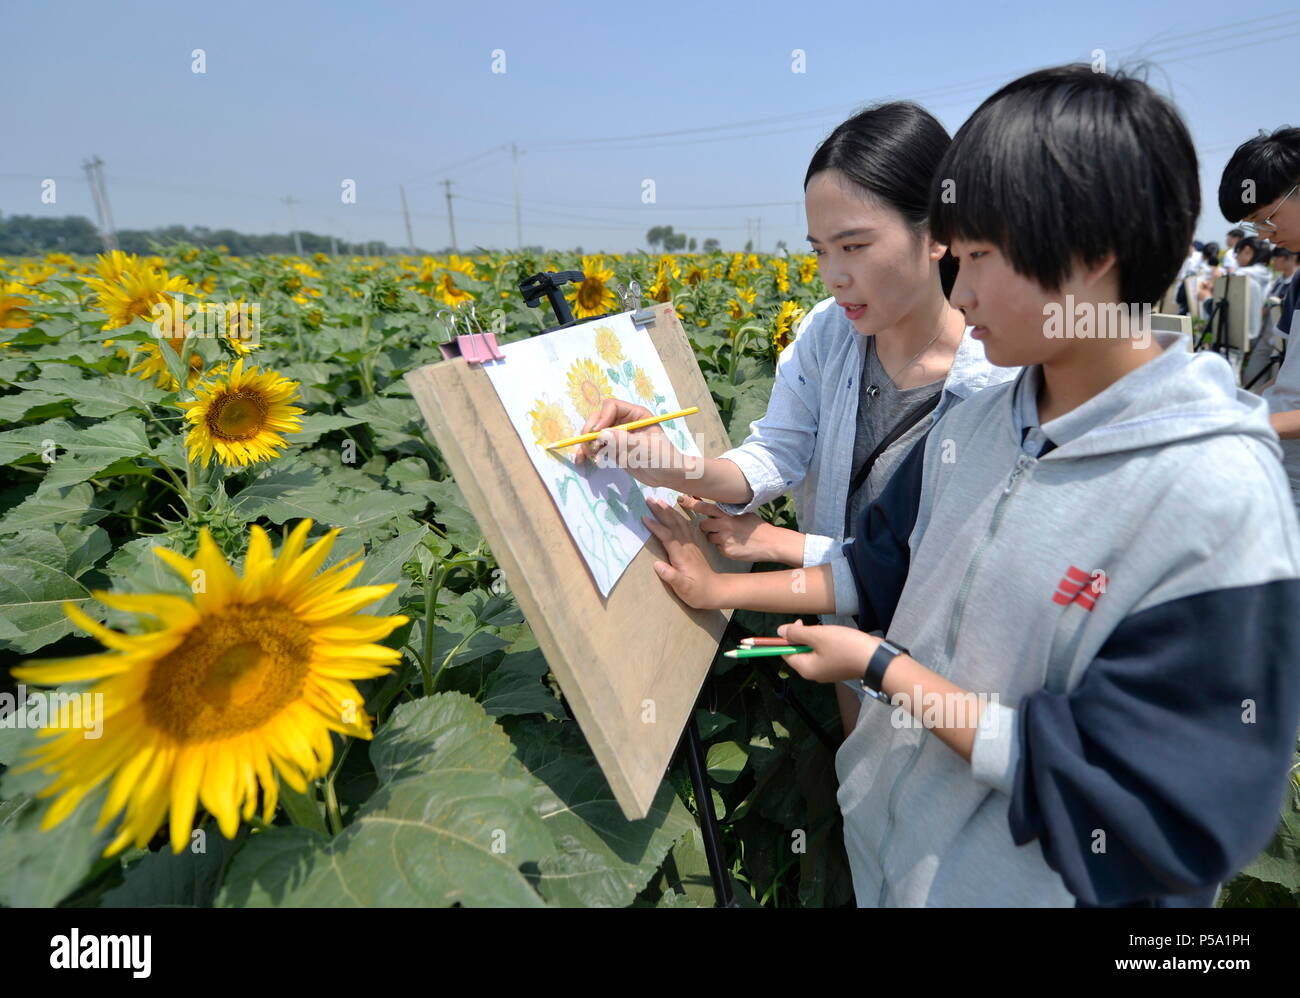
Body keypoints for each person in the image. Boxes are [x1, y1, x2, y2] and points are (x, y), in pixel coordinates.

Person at [640, 64, 1300, 908]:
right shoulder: (984, 425)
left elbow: (1174, 804)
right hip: (899, 857)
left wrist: (885, 670)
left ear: (1090, 259)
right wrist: (723, 583)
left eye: (979, 255)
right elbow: (877, 565)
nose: (962, 286)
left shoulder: (1212, 491)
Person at [575, 101, 1016, 735]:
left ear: (937, 233)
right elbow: (776, 455)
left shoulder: (997, 380)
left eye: (855, 246)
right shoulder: (827, 335)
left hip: (952, 671)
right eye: (819, 251)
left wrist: (784, 547)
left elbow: (939, 563)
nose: (834, 277)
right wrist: (671, 465)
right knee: (858, 793)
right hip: (839, 634)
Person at [1220, 125, 1300, 512]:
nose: (1265, 236)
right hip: (1279, 468)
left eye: (1267, 218)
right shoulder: (1298, 282)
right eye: (1254, 224)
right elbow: (1285, 375)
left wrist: (1249, 426)